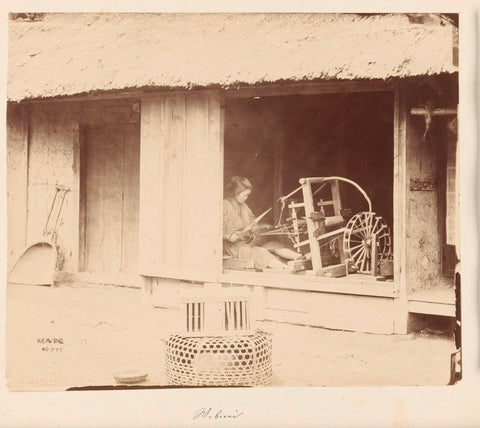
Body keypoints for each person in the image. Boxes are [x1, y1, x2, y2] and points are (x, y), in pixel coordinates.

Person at [223, 176, 302, 270]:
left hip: (248, 242)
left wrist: (257, 229)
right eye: (245, 195)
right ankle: (284, 268)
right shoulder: (225, 205)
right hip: (234, 247)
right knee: (260, 251)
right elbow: (214, 228)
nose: (246, 198)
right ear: (235, 193)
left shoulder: (244, 206)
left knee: (273, 245)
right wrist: (228, 236)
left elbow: (252, 222)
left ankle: (300, 257)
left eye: (248, 195)